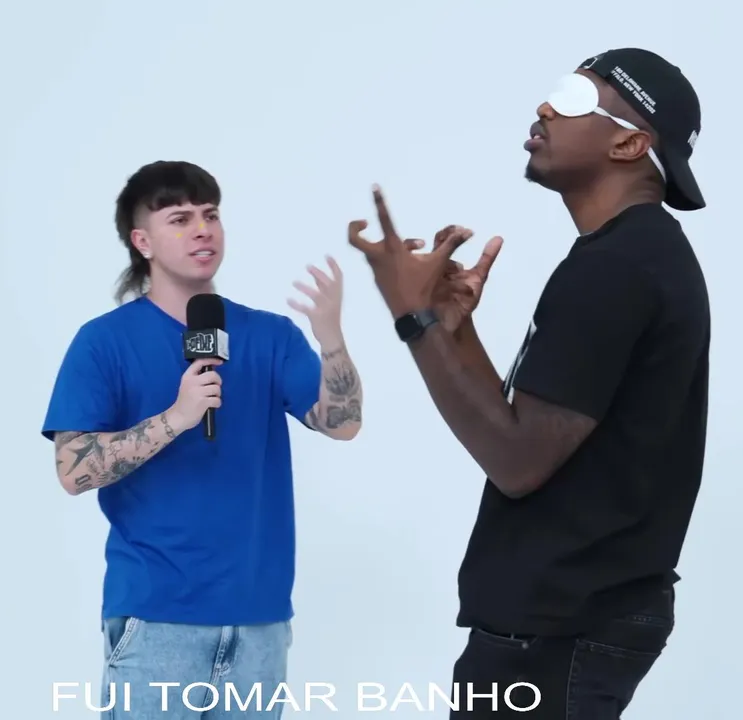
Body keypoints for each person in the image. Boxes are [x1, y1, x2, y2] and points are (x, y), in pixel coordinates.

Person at [348, 48, 709, 718]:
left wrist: (411, 316)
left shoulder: (618, 267)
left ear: (630, 144)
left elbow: (518, 462)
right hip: (566, 621)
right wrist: (453, 330)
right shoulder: (630, 255)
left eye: (574, 98)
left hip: (560, 631)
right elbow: (529, 428)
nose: (545, 107)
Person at [42, 160, 365, 719]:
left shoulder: (271, 335)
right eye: (180, 218)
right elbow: (73, 471)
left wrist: (331, 339)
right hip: (156, 621)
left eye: (211, 215)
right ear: (142, 241)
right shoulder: (103, 342)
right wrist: (177, 417)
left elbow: (343, 424)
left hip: (260, 624)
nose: (202, 230)